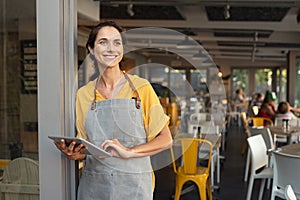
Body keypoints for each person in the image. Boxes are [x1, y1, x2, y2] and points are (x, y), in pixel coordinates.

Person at [53, 21, 173, 200]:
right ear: (91, 50)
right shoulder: (83, 94)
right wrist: (74, 154)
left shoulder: (141, 88)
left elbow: (166, 139)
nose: (111, 49)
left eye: (117, 43)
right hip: (95, 187)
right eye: (103, 42)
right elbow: (86, 147)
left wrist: (130, 152)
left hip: (134, 188)